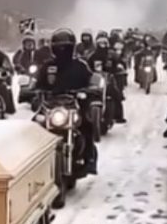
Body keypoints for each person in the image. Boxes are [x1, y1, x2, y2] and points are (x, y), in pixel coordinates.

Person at [34, 28, 99, 175]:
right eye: (59, 47)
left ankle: (89, 159)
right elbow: (37, 83)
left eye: (65, 47)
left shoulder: (80, 66)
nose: (62, 50)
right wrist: (33, 89)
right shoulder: (47, 66)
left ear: (72, 48)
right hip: (51, 106)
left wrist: (91, 89)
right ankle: (32, 160)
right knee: (34, 124)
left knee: (86, 125)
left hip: (74, 104)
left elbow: (91, 80)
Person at [87, 35, 127, 124]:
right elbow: (87, 67)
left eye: (104, 43)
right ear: (97, 44)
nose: (102, 45)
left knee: (116, 94)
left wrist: (119, 67)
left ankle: (118, 116)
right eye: (100, 43)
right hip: (95, 80)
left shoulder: (112, 55)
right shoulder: (92, 56)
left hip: (109, 78)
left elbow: (119, 62)